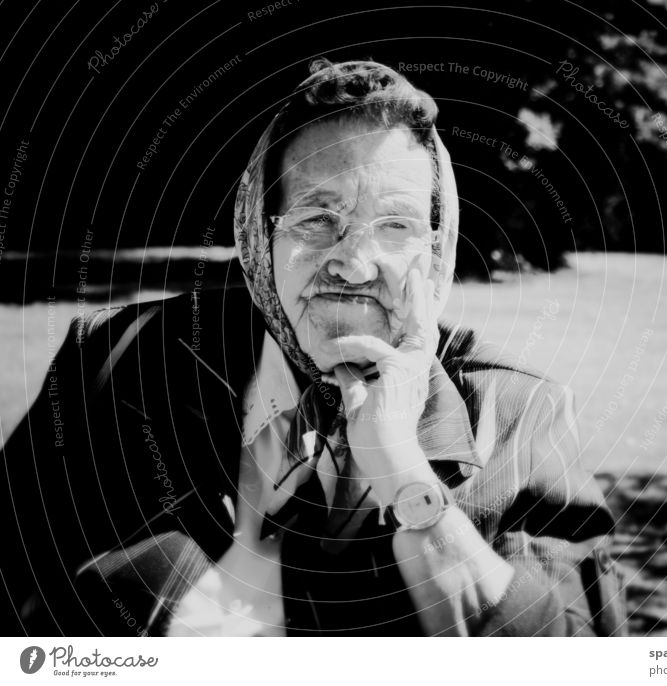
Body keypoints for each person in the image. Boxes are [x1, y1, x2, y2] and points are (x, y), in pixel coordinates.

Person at [0, 59, 626, 636]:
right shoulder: (117, 361)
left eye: (396, 225)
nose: (353, 264)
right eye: (316, 218)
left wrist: (406, 476)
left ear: (434, 252)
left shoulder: (519, 412)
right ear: (257, 235)